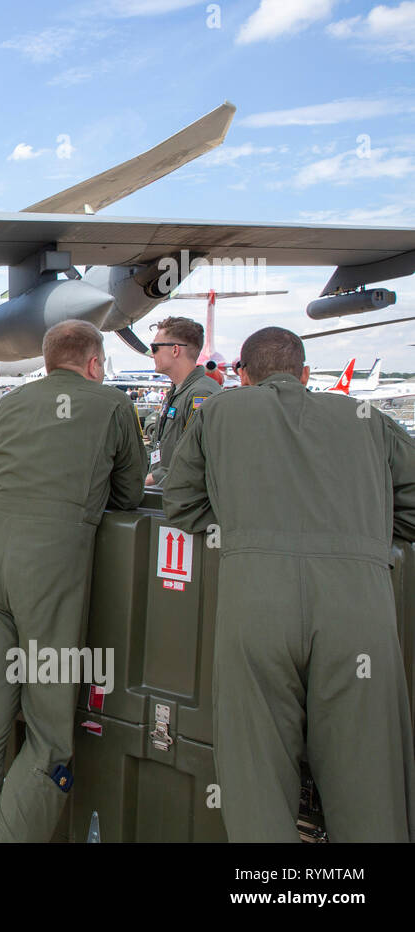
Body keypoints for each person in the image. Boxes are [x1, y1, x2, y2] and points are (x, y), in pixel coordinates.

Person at [164, 327, 415, 841]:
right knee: (368, 780)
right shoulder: (367, 419)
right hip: (359, 612)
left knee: (255, 778)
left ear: (247, 377)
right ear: (305, 374)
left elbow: (181, 503)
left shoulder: (219, 413)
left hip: (256, 607)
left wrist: (248, 529)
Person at [0, 320, 145, 842]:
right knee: (49, 734)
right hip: (48, 574)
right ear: (93, 363)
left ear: (46, 360)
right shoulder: (111, 405)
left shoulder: (9, 403)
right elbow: (129, 493)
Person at [145, 316, 217, 487]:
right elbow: (159, 446)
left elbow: (196, 460)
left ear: (175, 350)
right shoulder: (177, 392)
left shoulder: (200, 394)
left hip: (182, 499)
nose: (151, 354)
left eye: (155, 348)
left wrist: (153, 478)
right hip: (167, 491)